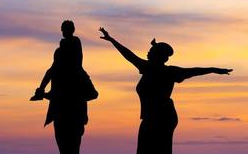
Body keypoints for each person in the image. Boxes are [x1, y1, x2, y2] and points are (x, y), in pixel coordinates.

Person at [99, 27, 232, 154]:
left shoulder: (161, 70)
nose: (148, 52)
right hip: (154, 116)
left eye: (152, 50)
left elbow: (195, 70)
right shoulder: (151, 68)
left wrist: (214, 69)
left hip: (162, 116)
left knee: (155, 149)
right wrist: (111, 39)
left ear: (158, 55)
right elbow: (128, 54)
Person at [31, 20, 98, 154]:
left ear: (71, 30)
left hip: (73, 109)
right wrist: (41, 89)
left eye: (66, 29)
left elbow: (69, 64)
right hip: (61, 108)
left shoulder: (74, 46)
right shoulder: (59, 56)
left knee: (72, 145)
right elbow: (50, 70)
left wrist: (42, 90)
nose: (64, 32)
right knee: (63, 144)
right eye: (63, 29)